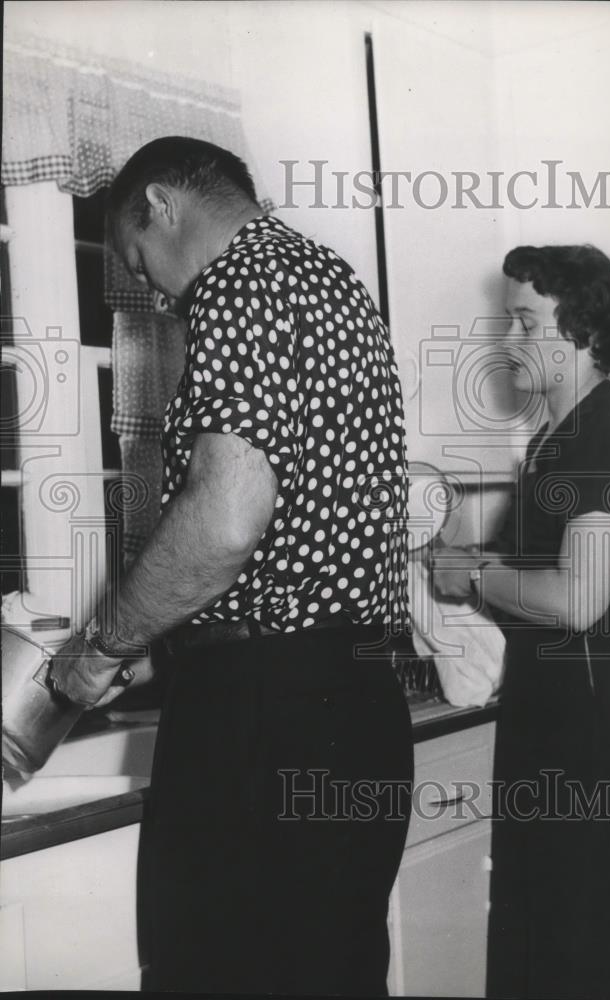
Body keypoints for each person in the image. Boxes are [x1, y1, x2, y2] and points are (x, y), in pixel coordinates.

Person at [49, 136, 415, 995]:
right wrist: (162, 631)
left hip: (262, 714)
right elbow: (290, 524)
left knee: (212, 973)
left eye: (134, 257)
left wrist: (102, 646)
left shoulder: (239, 282)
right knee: (329, 971)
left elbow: (223, 522)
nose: (143, 283)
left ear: (161, 205)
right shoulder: (329, 278)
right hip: (354, 704)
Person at [432, 245, 610, 999]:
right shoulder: (554, 439)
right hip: (562, 713)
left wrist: (471, 572)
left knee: (585, 933)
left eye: (526, 324)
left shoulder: (605, 435)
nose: (508, 342)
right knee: (553, 922)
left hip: (594, 727)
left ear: (584, 334)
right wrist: (473, 564)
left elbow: (576, 599)